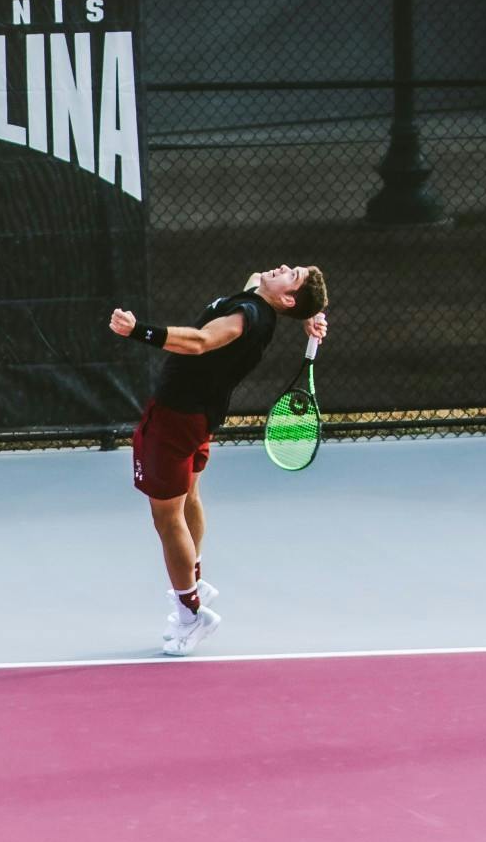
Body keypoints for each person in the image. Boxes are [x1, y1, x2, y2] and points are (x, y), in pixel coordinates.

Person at [110, 265, 330, 655]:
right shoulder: (258, 298)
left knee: (167, 517)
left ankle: (191, 614)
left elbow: (198, 342)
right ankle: (194, 579)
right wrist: (310, 313)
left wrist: (137, 330)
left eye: (290, 274)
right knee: (190, 497)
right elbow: (257, 275)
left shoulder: (248, 317)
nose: (281, 267)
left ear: (287, 298)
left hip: (176, 417)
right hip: (201, 417)